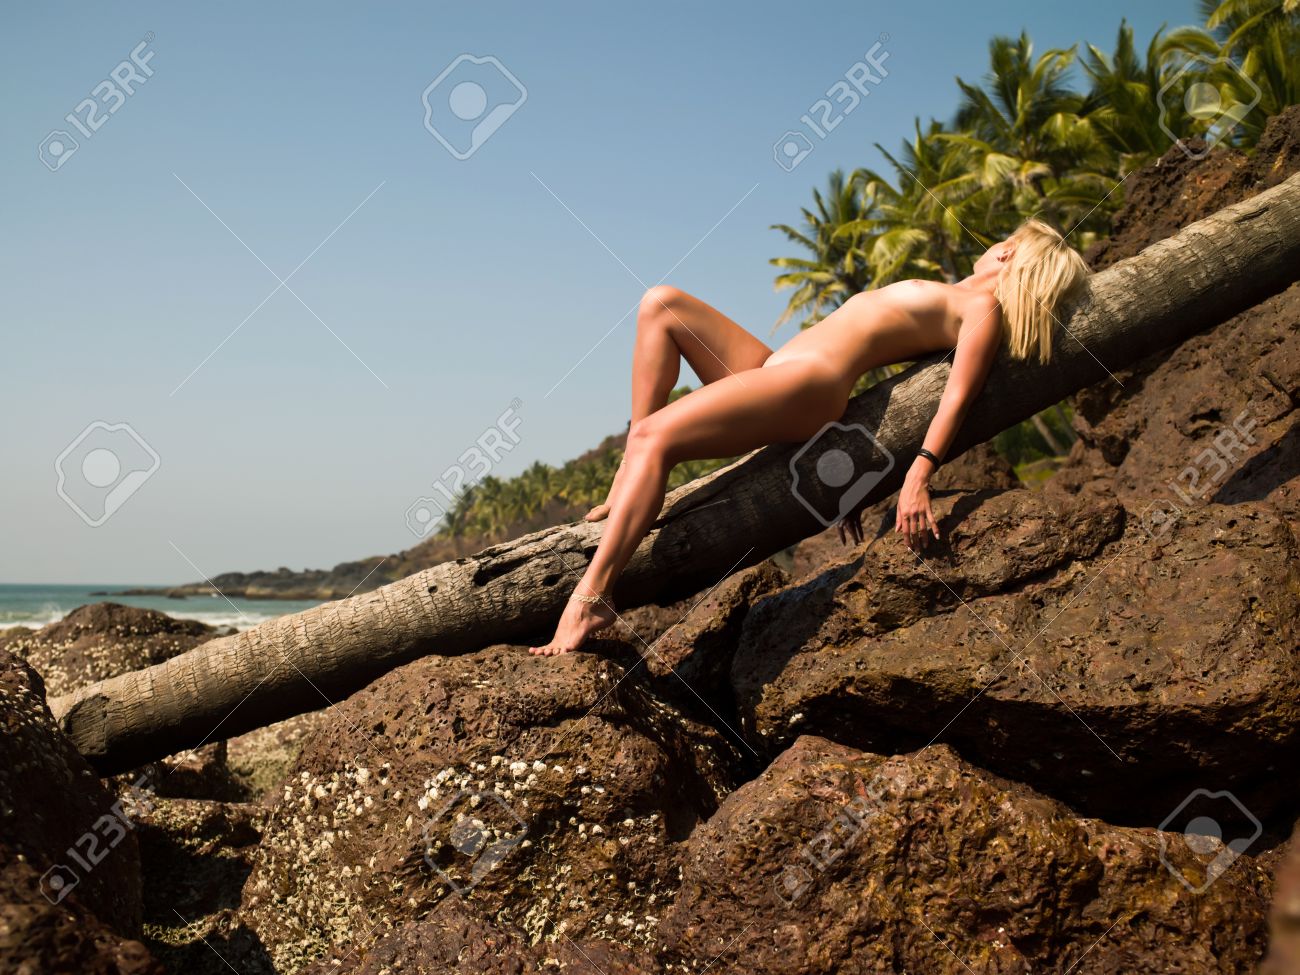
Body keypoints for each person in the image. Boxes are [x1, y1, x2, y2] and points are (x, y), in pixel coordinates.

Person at [529, 219, 1090, 656]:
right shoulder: (957, 292)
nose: (993, 244)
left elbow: (956, 398)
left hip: (808, 386)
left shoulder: (982, 307)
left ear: (1012, 253)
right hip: (774, 368)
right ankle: (631, 469)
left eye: (1003, 241)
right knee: (660, 302)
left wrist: (917, 475)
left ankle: (592, 596)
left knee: (657, 437)